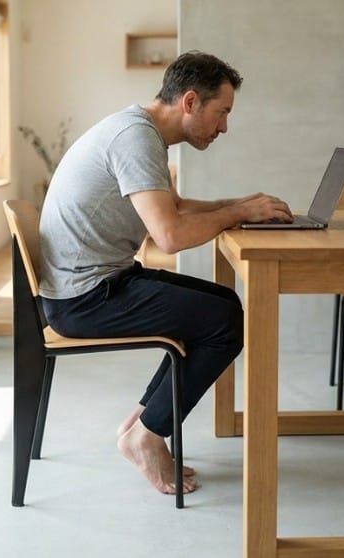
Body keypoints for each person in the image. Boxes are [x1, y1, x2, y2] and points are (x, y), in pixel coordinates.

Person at [38, 51, 293, 497]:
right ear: (191, 102)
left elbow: (171, 207)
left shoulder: (140, 131)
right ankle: (150, 436)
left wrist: (240, 205)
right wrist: (239, 211)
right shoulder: (135, 139)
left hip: (95, 284)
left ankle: (141, 424)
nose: (225, 127)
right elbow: (170, 234)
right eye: (223, 113)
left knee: (225, 305)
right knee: (225, 323)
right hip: (83, 299)